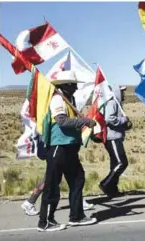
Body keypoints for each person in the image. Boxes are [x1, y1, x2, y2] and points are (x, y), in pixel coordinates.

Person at [38, 71, 98, 232]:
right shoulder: (58, 99)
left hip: (70, 147)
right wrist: (84, 121)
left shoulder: (69, 99)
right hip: (59, 146)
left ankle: (76, 216)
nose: (77, 87)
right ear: (66, 85)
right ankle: (45, 221)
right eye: (74, 84)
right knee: (52, 185)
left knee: (78, 179)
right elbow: (62, 121)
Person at [99, 85, 132, 197]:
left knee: (115, 164)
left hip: (115, 136)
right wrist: (123, 120)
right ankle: (106, 184)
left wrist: (125, 126)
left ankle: (112, 190)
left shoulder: (116, 103)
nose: (124, 94)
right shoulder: (112, 102)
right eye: (122, 92)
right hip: (112, 137)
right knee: (121, 163)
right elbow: (109, 118)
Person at [21, 178, 94, 216]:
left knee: (72, 172)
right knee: (50, 176)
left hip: (60, 151)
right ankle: (30, 202)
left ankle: (78, 201)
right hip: (59, 151)